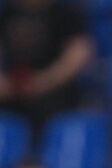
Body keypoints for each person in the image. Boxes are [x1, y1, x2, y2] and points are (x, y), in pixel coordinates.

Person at [0, 0, 93, 135]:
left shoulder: (65, 13)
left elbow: (79, 53)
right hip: (12, 91)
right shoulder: (8, 11)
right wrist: (5, 82)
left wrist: (43, 82)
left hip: (53, 94)